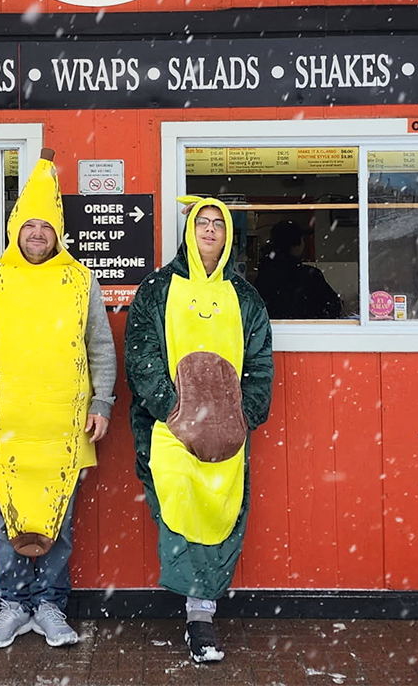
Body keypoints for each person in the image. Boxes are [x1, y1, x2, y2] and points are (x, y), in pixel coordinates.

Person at [0, 148, 116, 649]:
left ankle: (49, 605)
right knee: (8, 519)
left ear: (57, 233)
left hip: (63, 427)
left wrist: (102, 403)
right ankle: (13, 604)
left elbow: (101, 347)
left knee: (58, 519)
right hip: (1, 424)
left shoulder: (80, 281)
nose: (37, 235)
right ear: (15, 230)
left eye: (46, 227)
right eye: (29, 226)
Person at [124, 197, 273, 664]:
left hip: (227, 435)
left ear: (230, 235)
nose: (209, 231)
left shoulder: (245, 297)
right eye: (202, 223)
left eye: (218, 225)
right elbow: (141, 353)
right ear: (189, 232)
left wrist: (241, 415)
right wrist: (173, 410)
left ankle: (201, 614)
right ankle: (196, 611)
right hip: (169, 430)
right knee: (178, 508)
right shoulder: (157, 289)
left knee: (220, 511)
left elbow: (260, 362)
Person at [253, 220, 342, 319]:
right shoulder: (310, 276)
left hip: (274, 330)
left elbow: (257, 310)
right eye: (302, 240)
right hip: (307, 330)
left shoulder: (265, 275)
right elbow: (333, 307)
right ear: (296, 245)